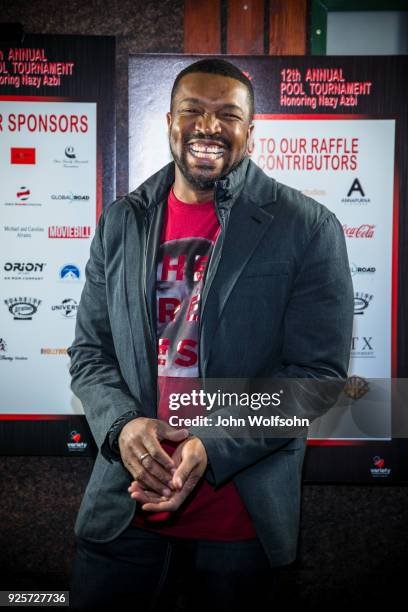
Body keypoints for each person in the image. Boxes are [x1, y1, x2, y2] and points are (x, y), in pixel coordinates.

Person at [68, 58, 353, 610]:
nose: (208, 126)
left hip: (239, 525)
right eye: (192, 110)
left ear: (250, 130)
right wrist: (123, 427)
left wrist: (212, 444)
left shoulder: (307, 226)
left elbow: (317, 378)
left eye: (228, 114)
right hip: (122, 517)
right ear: (170, 122)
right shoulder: (121, 220)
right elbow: (89, 354)